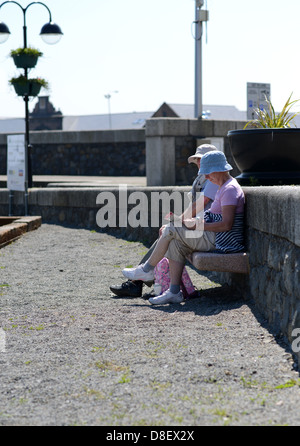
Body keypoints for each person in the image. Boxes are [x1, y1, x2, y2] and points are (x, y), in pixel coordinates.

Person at [122, 150, 245, 305]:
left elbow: (226, 224)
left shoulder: (229, 189)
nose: (206, 177)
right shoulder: (224, 187)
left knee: (171, 229)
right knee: (175, 243)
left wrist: (196, 225)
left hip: (222, 241)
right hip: (216, 237)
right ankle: (174, 292)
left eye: (208, 173)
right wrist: (193, 223)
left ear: (218, 169)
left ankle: (147, 270)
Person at [109, 144, 219, 298]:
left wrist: (179, 222)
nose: (199, 163)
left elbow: (199, 205)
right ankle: (146, 280)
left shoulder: (213, 180)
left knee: (168, 233)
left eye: (201, 159)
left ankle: (142, 278)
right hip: (200, 226)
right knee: (167, 233)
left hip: (206, 231)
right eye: (197, 160)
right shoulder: (204, 179)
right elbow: (196, 207)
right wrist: (178, 221)